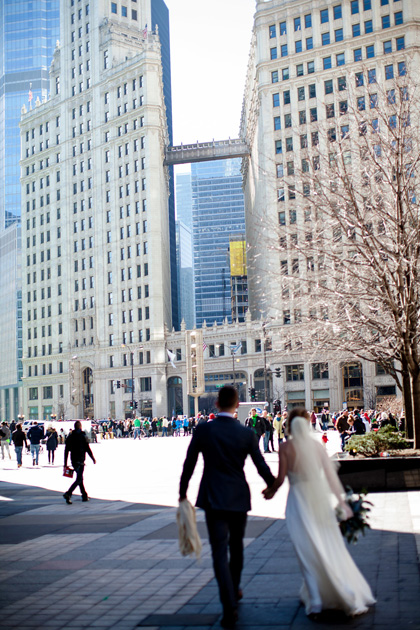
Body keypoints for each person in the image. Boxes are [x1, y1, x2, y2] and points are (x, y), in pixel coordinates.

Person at [263, 408, 375, 618]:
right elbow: (332, 478)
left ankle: (315, 600)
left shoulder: (285, 447)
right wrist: (343, 503)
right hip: (319, 502)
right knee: (327, 544)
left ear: (289, 425)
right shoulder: (317, 447)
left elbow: (280, 478)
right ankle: (339, 589)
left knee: (305, 550)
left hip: (297, 502)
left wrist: (270, 490)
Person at [179, 386, 276, 629]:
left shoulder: (203, 430)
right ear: (236, 405)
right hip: (238, 497)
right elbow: (260, 464)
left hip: (212, 497)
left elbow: (189, 464)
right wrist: (272, 485)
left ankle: (228, 604)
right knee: (237, 547)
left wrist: (182, 493)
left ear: (216, 405)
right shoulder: (245, 434)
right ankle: (235, 588)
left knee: (219, 552)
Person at [63, 420, 96, 504]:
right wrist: (93, 458)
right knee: (79, 478)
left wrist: (65, 463)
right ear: (80, 427)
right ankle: (68, 493)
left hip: (73, 460)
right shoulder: (83, 436)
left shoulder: (70, 436)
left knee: (80, 478)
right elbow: (87, 448)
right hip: (80, 460)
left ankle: (84, 496)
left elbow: (66, 451)